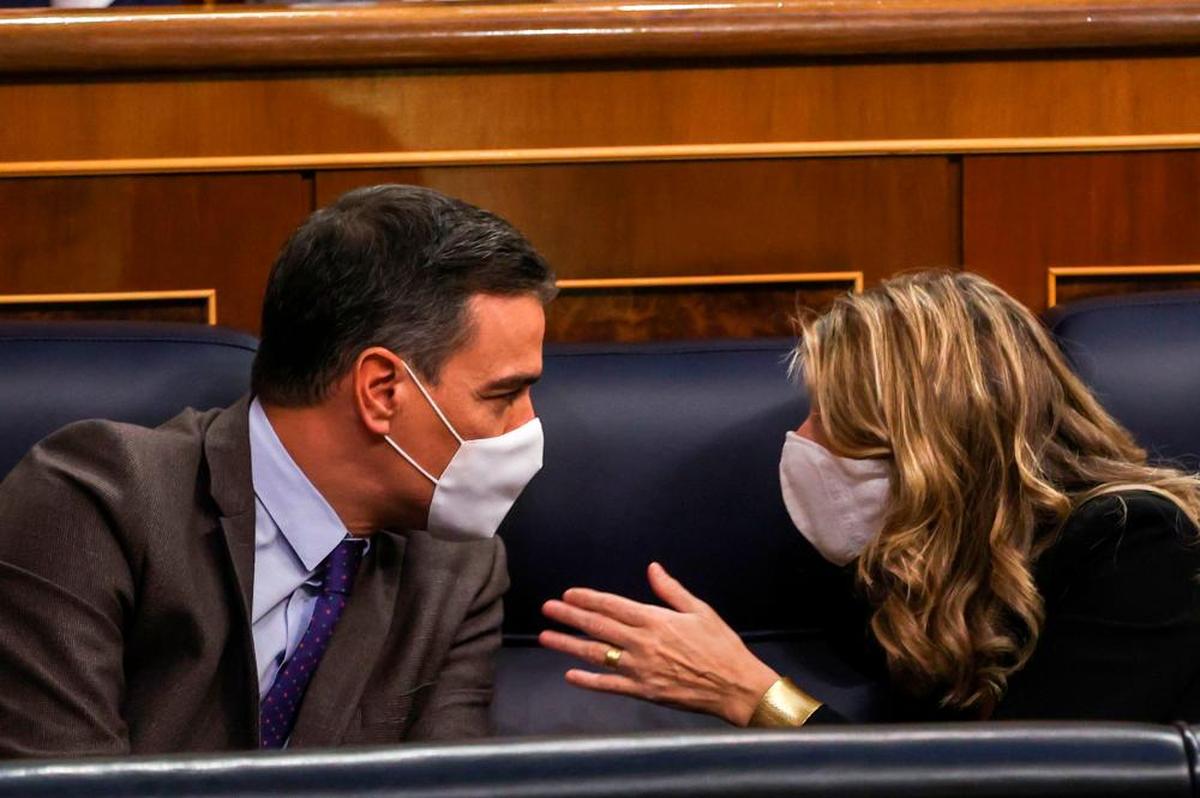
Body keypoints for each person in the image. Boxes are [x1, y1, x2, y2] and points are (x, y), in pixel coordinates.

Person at [0, 184, 556, 756]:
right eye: (504, 394)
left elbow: (446, 790)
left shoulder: (460, 572)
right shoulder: (96, 502)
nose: (528, 424)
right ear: (381, 391)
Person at [541, 270, 1200, 726]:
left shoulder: (1134, 547)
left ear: (926, 441)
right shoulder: (923, 566)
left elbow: (1022, 792)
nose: (800, 439)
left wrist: (754, 694)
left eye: (831, 416)